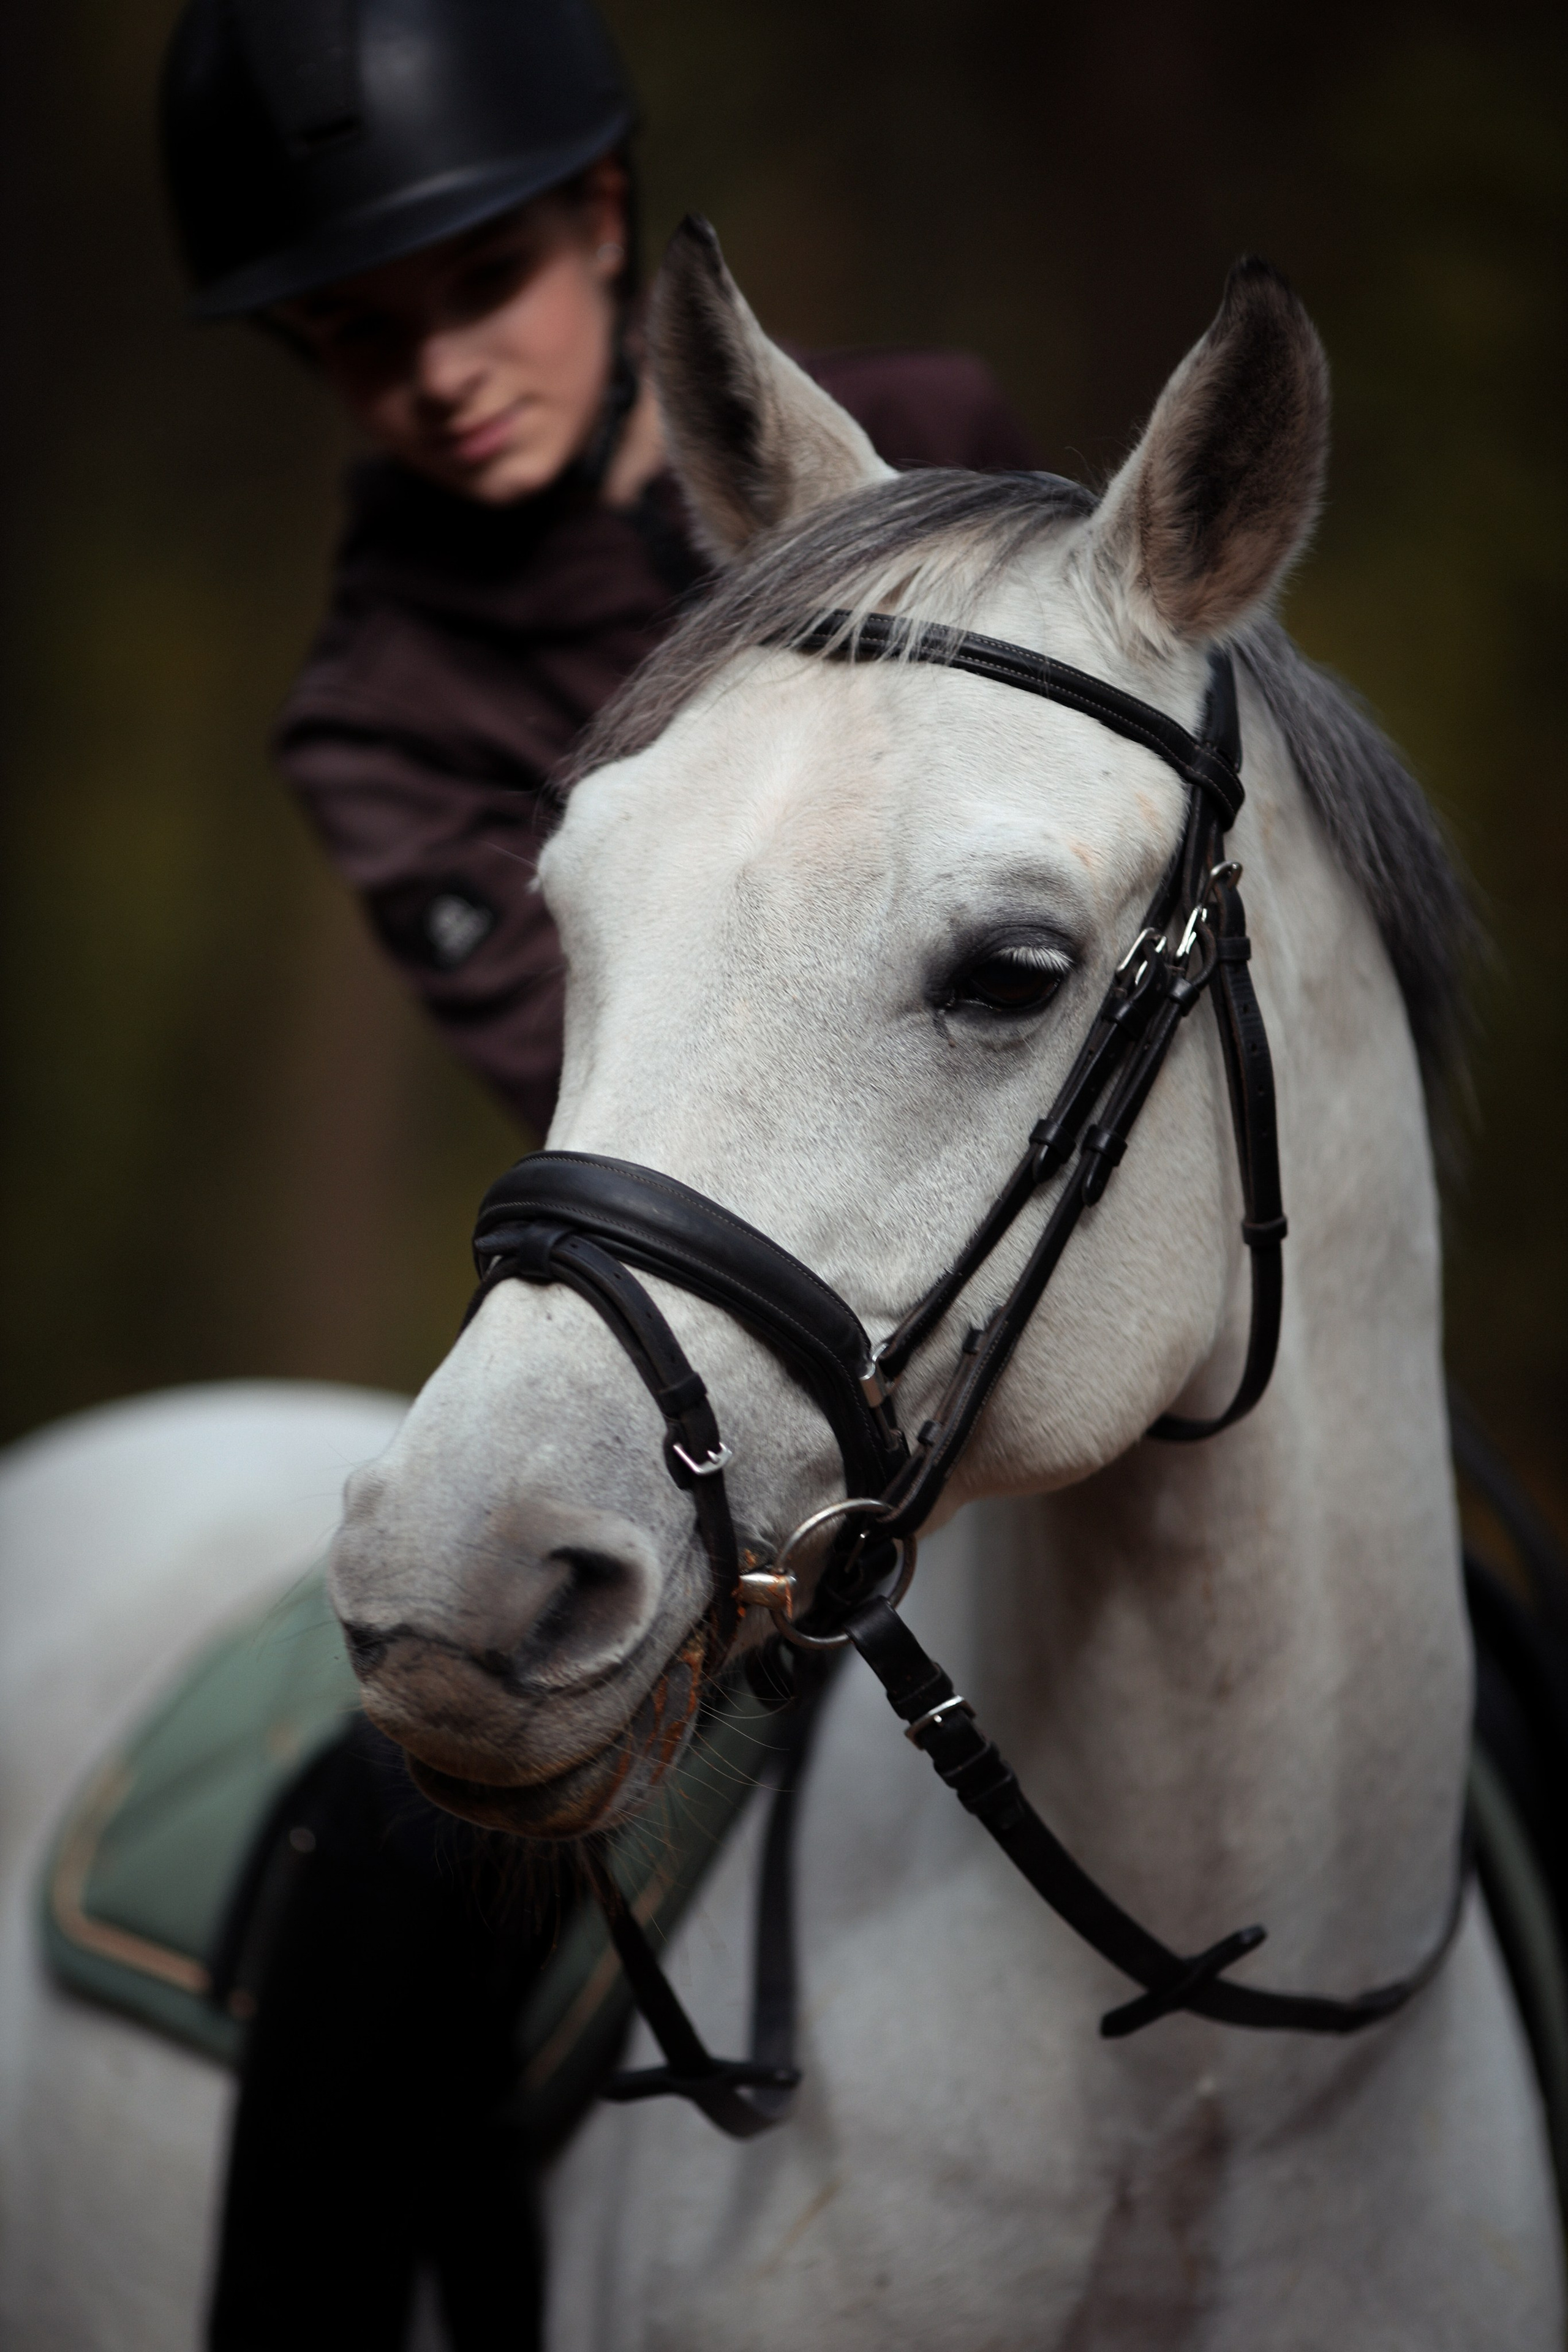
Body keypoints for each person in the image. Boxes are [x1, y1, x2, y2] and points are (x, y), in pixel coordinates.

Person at [160, 0, 1037, 1142]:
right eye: (362, 331)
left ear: (602, 219)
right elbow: (605, 1075)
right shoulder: (382, 721)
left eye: (487, 283)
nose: (442, 373)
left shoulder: (929, 424)